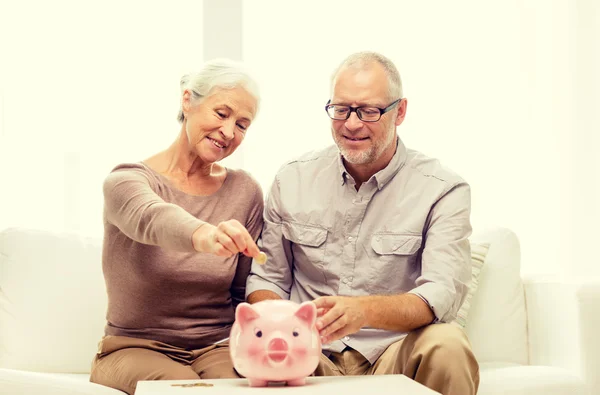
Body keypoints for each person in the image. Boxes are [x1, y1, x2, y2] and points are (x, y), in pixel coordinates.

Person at [246, 51, 479, 395]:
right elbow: (268, 278)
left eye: (369, 111)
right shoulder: (292, 178)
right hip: (308, 354)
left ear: (399, 111)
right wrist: (287, 328)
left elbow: (440, 293)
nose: (352, 124)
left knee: (449, 343)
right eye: (341, 109)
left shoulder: (443, 188)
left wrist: (364, 311)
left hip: (394, 350)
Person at [90, 58, 265, 395]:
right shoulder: (126, 180)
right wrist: (205, 234)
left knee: (246, 389)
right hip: (133, 348)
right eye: (222, 113)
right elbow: (151, 217)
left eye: (242, 124)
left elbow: (243, 291)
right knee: (181, 390)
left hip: (217, 347)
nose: (229, 132)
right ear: (188, 101)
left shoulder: (245, 191)